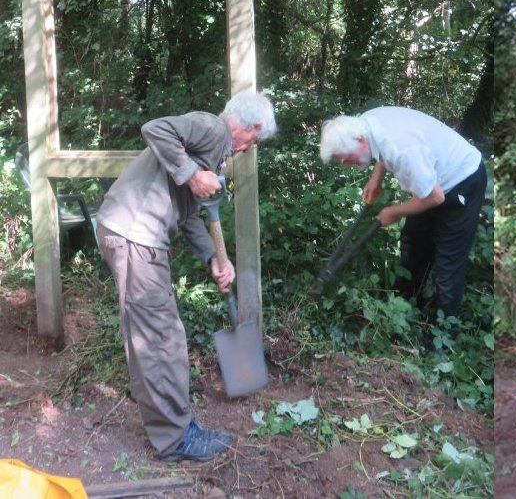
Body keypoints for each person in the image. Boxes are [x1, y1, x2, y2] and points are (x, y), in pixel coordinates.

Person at [95, 92, 277, 463]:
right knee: (160, 337)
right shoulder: (212, 128)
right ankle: (175, 439)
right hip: (135, 234)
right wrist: (193, 174)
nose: (247, 150)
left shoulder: (214, 152)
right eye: (253, 142)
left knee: (160, 334)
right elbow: (155, 128)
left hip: (135, 234)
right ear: (248, 127)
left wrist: (212, 256)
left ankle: (173, 427)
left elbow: (190, 213)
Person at [319, 106, 486, 335]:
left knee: (448, 264)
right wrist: (376, 178)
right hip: (432, 182)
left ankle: (445, 336)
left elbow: (435, 197)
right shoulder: (365, 123)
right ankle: (405, 303)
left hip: (462, 180)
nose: (347, 165)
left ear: (359, 140)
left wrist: (394, 212)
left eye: (346, 159)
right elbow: (383, 152)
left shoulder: (403, 149)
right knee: (413, 241)